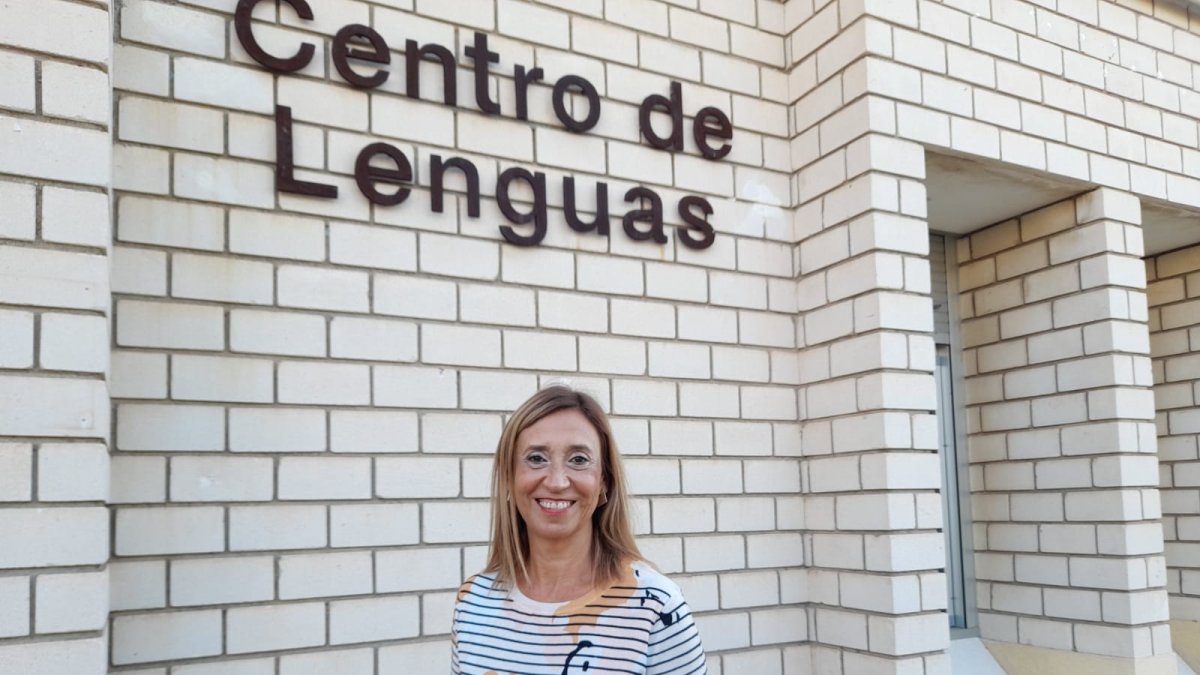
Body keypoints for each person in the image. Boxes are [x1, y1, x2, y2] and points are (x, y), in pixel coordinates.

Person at [451, 384, 707, 674]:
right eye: (536, 458)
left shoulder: (656, 607)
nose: (557, 482)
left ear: (604, 481)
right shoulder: (473, 601)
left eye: (579, 460)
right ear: (509, 478)